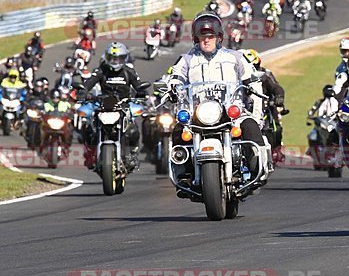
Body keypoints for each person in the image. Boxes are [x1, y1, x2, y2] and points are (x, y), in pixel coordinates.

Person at [168, 13, 269, 182]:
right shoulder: (186, 60)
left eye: (210, 36)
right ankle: (183, 174)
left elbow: (251, 77)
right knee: (179, 132)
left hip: (231, 112)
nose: (206, 40)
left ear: (219, 37)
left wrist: (253, 85)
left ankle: (258, 170)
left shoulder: (235, 57)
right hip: (198, 114)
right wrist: (172, 87)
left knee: (252, 128)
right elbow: (175, 76)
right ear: (196, 38)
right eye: (202, 36)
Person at [80, 42, 150, 170]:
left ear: (124, 58)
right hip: (103, 106)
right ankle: (90, 154)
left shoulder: (129, 71)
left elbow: (139, 85)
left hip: (122, 107)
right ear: (107, 57)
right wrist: (83, 91)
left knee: (133, 131)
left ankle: (132, 154)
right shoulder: (101, 70)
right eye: (112, 58)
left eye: (118, 58)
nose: (115, 61)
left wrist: (142, 92)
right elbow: (88, 83)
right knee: (89, 129)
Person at [242, 49, 287, 164]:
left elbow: (276, 87)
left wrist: (279, 97)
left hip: (265, 107)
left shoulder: (264, 75)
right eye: (249, 65)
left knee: (277, 128)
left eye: (255, 65)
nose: (252, 68)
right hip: (244, 108)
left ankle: (276, 148)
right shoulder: (237, 76)